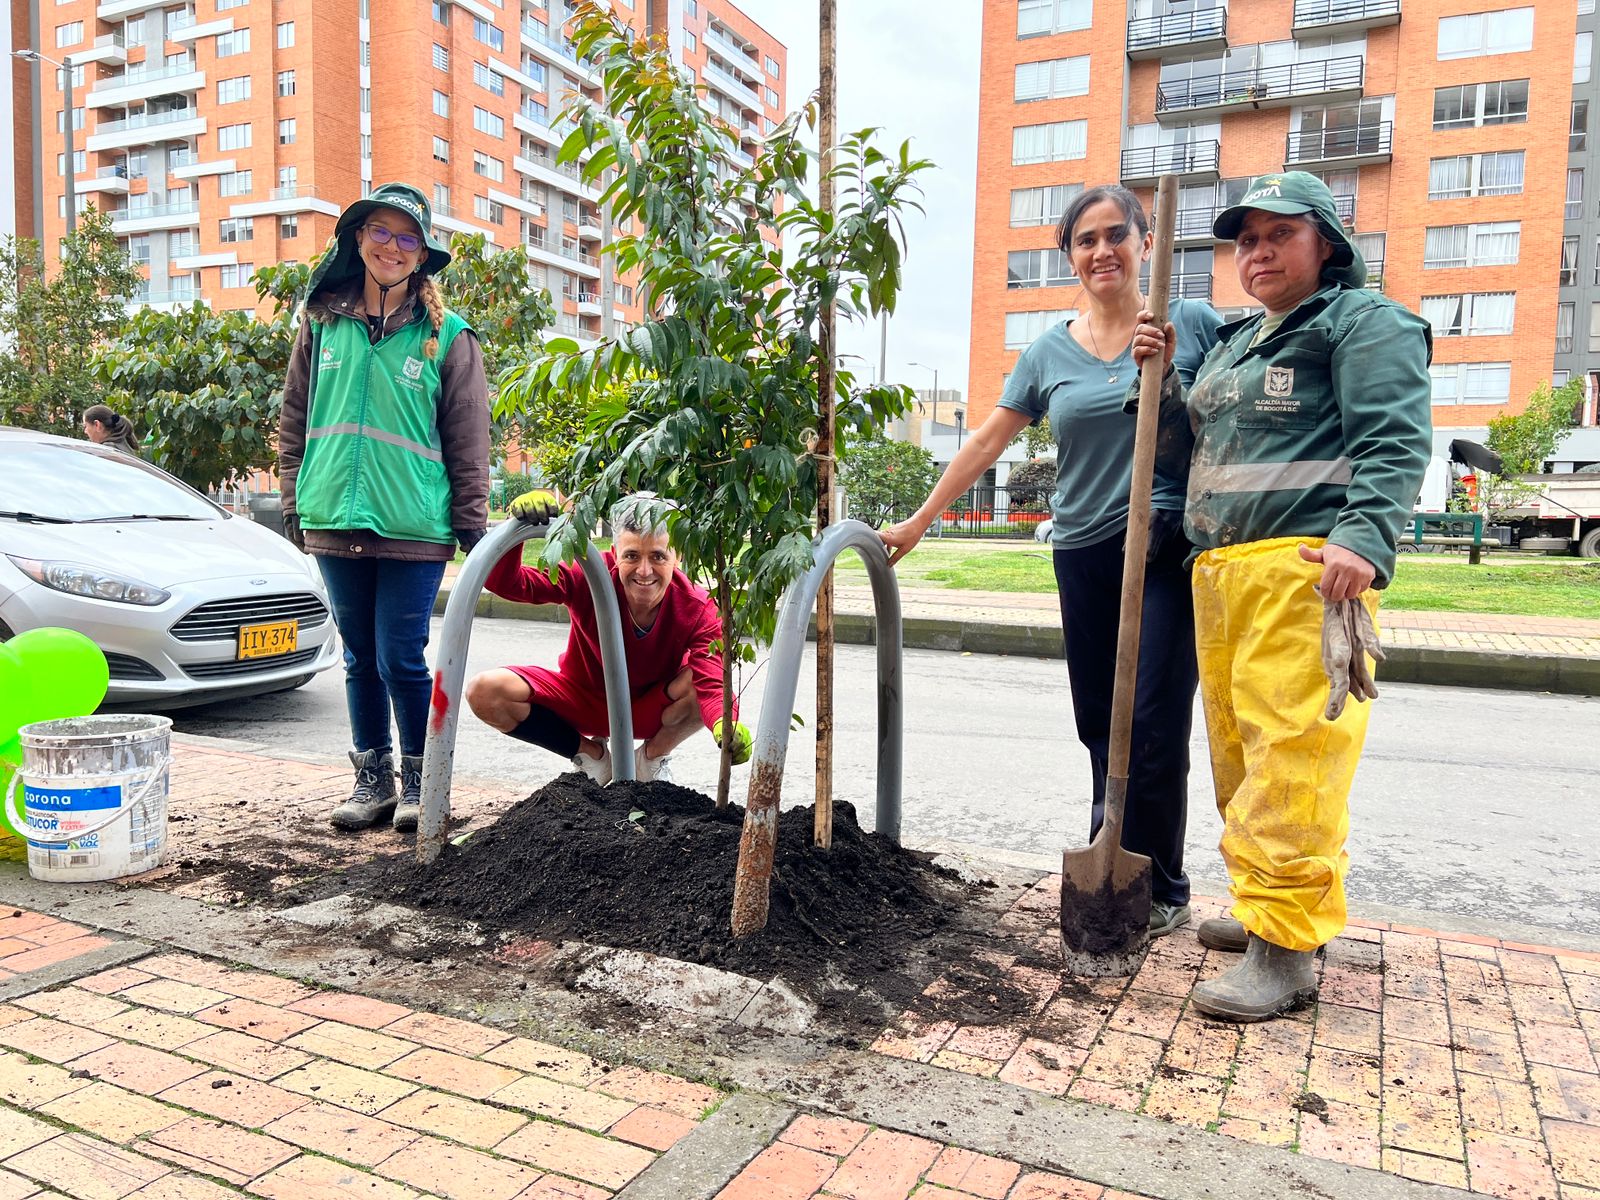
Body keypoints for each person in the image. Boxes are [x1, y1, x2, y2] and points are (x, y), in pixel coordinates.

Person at [882, 185, 1222, 938]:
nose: (1102, 251)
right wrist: (917, 522)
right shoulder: (1048, 351)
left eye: (1116, 236)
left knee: (1156, 720)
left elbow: (1228, 421)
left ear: (1146, 242)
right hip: (1083, 550)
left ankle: (1164, 884)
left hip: (1164, 546)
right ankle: (1110, 857)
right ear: (1070, 255)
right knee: (1101, 722)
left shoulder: (1188, 321)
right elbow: (985, 442)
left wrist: (1170, 374)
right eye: (1085, 240)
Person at [1131, 172, 1432, 1022]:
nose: (1257, 253)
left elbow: (1395, 438)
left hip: (1304, 568)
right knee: (1242, 756)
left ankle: (1286, 953)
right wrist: (1153, 382)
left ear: (1325, 244)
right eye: (1245, 241)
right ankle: (1273, 910)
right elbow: (1178, 450)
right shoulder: (1234, 344)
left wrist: (1364, 539)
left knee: (1294, 756)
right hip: (1222, 572)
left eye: (1278, 236)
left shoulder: (1361, 323)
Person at [278, 182, 489, 834]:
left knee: (401, 656)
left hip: (414, 526)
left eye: (407, 238)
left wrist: (473, 528)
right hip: (333, 518)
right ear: (358, 238)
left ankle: (422, 783)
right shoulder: (322, 323)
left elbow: (469, 437)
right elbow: (294, 419)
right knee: (358, 658)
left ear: (423, 254)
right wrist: (295, 500)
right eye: (381, 232)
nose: (392, 247)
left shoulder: (447, 338)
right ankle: (372, 781)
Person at [465, 491, 752, 783]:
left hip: (650, 711)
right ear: (615, 554)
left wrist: (725, 723)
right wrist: (519, 527)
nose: (644, 570)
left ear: (677, 557)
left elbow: (713, 678)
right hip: (582, 700)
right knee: (485, 691)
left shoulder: (697, 606)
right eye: (632, 555)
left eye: (657, 556)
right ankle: (591, 756)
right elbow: (508, 583)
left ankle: (650, 759)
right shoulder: (591, 573)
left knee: (699, 680)